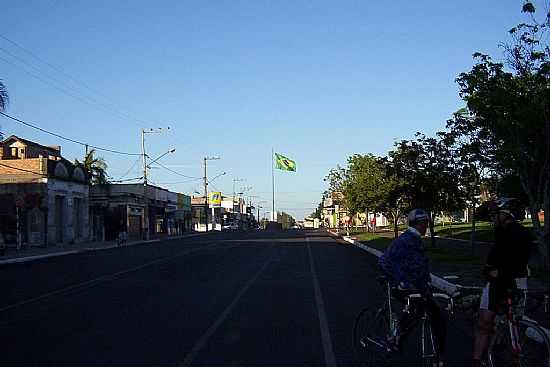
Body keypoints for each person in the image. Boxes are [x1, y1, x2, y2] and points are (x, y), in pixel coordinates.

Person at [379, 209, 447, 366]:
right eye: (425, 223)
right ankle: (437, 357)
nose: (427, 227)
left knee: (429, 314)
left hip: (418, 289)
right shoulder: (406, 240)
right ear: (418, 224)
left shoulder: (414, 239)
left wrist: (426, 283)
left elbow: (418, 267)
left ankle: (397, 339)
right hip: (407, 289)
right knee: (431, 316)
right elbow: (384, 261)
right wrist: (401, 281)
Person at [472, 198, 532, 367]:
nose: (492, 220)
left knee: (487, 322)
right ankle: (495, 356)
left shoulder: (514, 234)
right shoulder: (506, 232)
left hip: (505, 283)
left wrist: (494, 271)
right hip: (512, 282)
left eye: (494, 215)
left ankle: (479, 359)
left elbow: (509, 262)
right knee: (509, 324)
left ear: (505, 214)